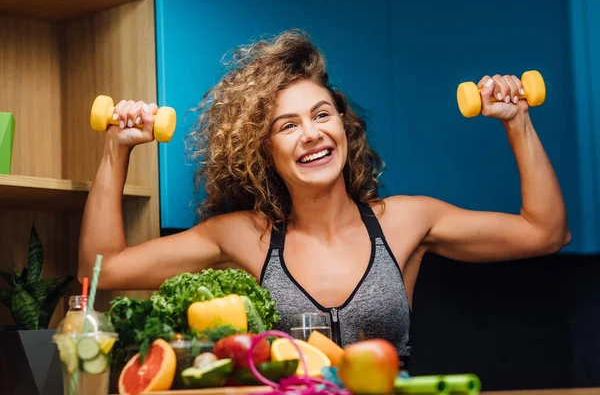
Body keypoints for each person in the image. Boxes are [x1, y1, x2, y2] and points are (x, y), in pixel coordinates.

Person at [78, 30, 570, 369]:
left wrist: (517, 121)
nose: (312, 135)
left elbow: (545, 233)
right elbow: (105, 268)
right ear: (264, 151)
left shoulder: (406, 222)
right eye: (288, 126)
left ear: (343, 125)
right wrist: (117, 149)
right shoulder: (245, 236)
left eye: (321, 115)